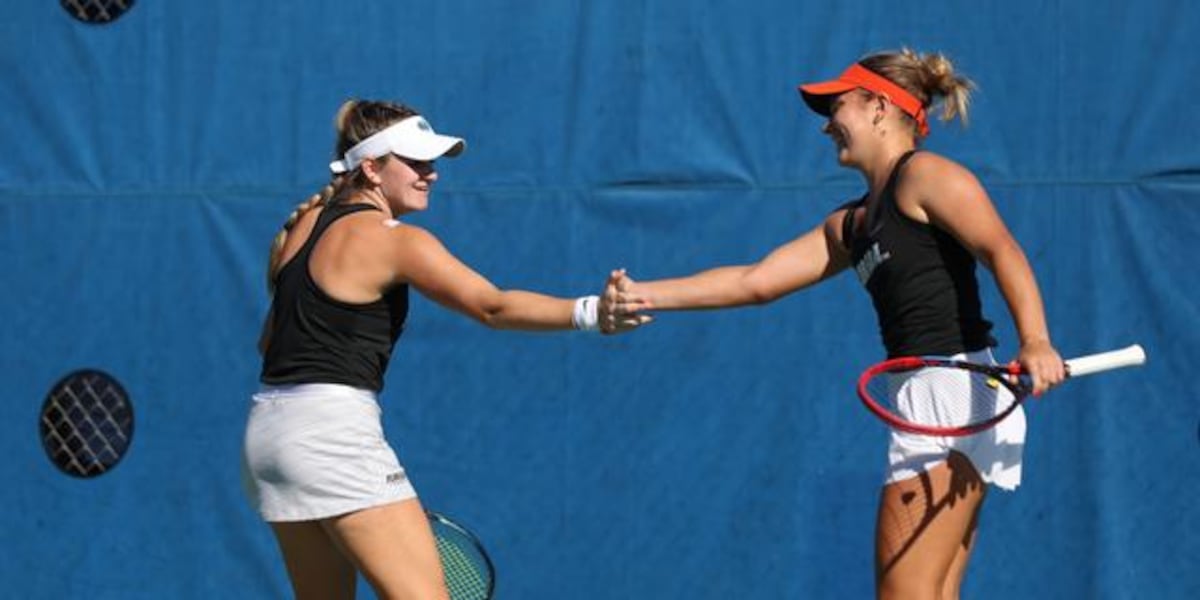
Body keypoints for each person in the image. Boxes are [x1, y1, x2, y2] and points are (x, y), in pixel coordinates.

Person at [605, 49, 1066, 599]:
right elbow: (755, 281)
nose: (827, 125)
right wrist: (641, 296)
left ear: (879, 106)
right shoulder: (851, 226)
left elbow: (1002, 249)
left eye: (838, 105)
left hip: (951, 397)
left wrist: (1036, 340)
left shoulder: (926, 175)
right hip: (940, 400)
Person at [242, 99, 646, 600]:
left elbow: (269, 341)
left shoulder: (302, 227)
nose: (430, 174)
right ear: (371, 167)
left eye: (432, 163)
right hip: (331, 435)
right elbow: (493, 307)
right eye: (415, 162)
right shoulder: (396, 242)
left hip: (268, 438)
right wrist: (592, 313)